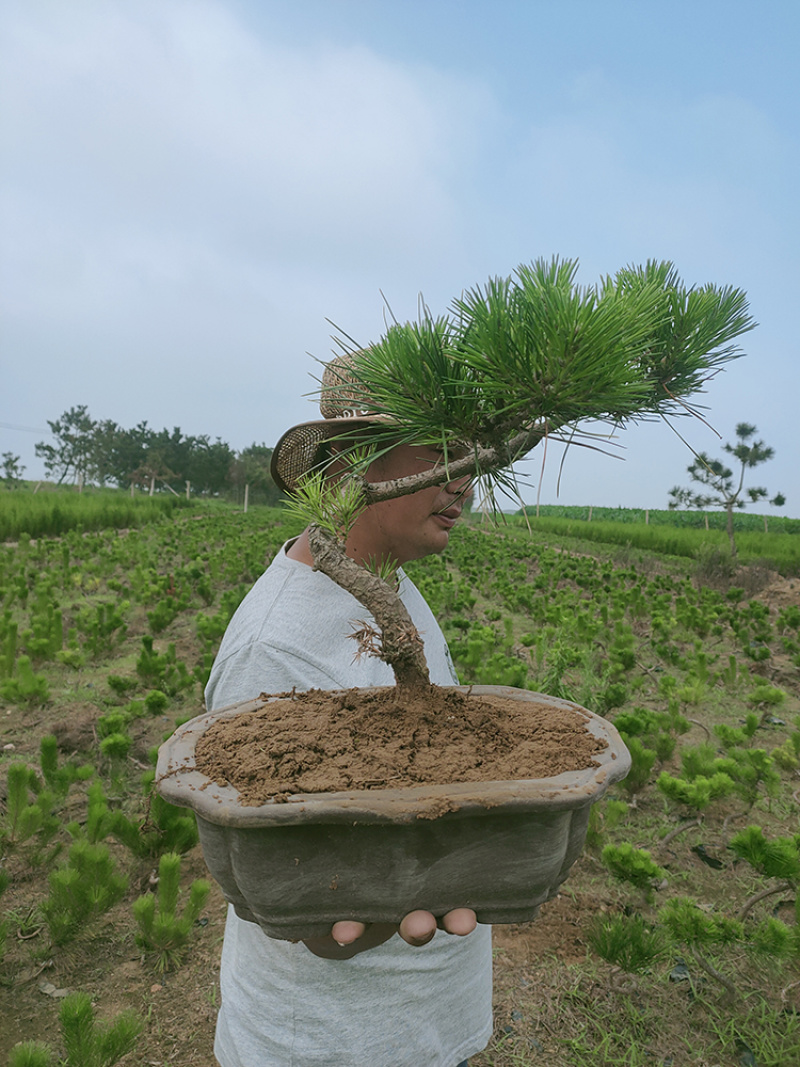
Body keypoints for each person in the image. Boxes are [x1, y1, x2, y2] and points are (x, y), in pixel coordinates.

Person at [204, 355, 493, 1067]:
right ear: (358, 463)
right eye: (440, 452)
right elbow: (284, 886)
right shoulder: (276, 645)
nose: (466, 481)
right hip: (331, 1041)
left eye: (472, 455)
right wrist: (383, 899)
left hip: (420, 1020)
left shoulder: (385, 586)